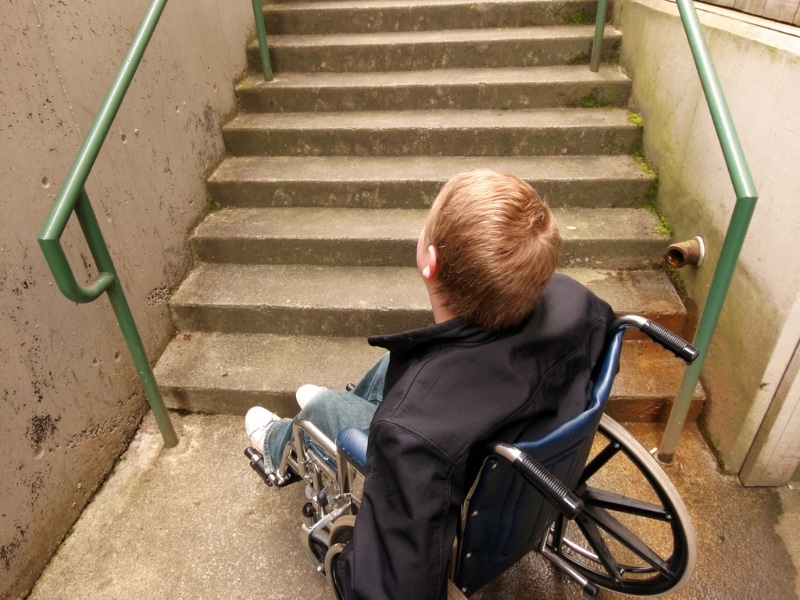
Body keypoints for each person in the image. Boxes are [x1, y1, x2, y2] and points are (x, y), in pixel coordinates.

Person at [245, 169, 616, 600]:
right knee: (400, 358)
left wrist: (345, 566)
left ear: (429, 261)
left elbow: (392, 584)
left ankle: (279, 442)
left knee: (324, 410)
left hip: (445, 440)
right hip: (501, 414)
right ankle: (352, 403)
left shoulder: (409, 436)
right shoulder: (580, 302)